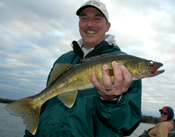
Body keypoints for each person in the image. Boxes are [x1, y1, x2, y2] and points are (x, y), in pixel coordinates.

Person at [24, 0, 142, 136]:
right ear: (79, 24)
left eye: (97, 18)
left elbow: (126, 125)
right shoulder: (62, 60)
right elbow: (47, 106)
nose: (89, 24)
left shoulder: (123, 67)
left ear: (107, 26)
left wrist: (111, 101)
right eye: (84, 18)